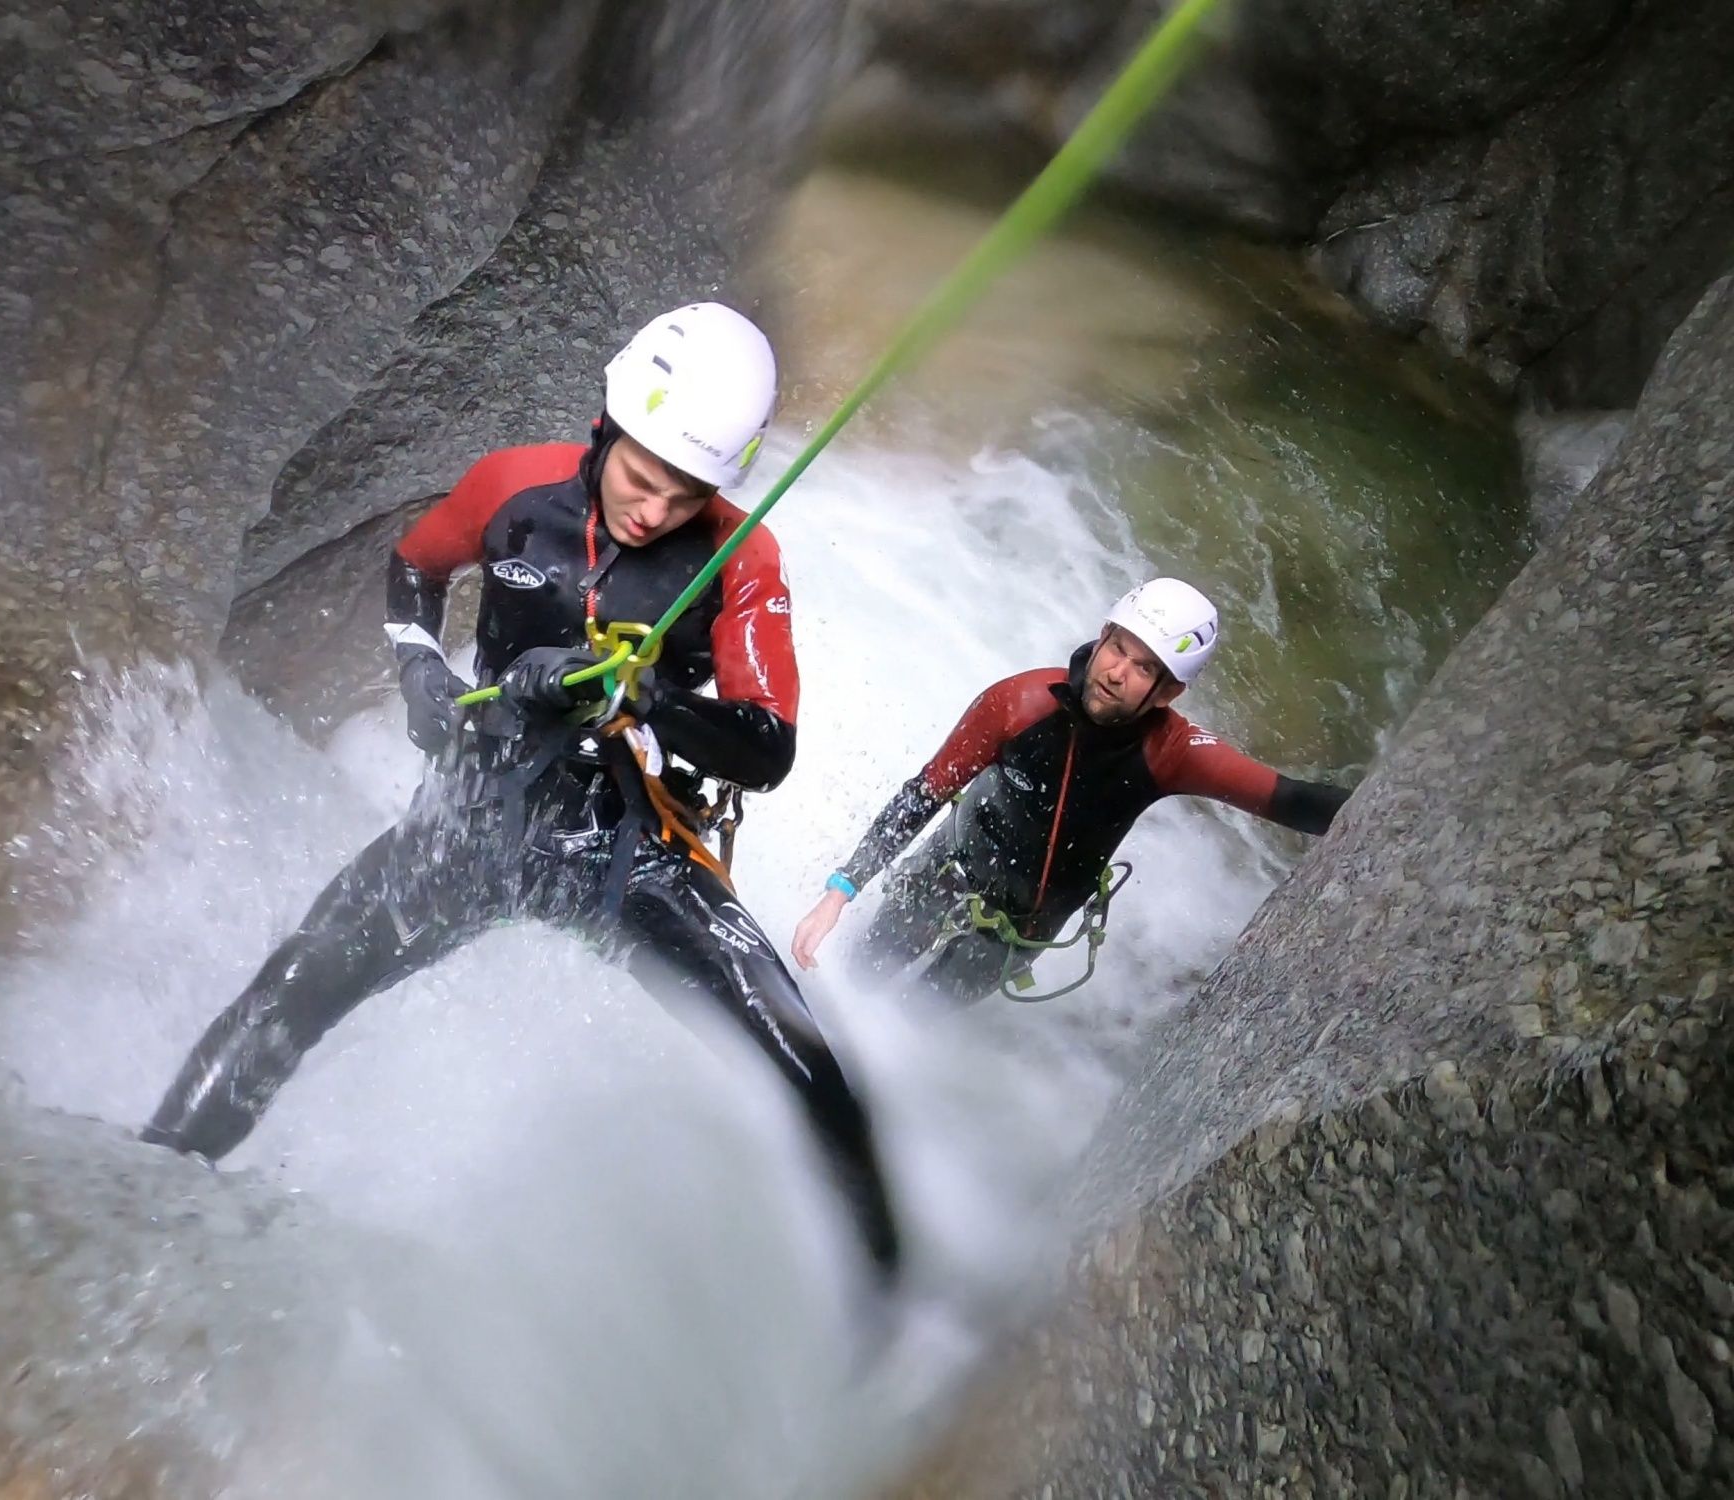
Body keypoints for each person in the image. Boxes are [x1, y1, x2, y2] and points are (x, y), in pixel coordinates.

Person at [142, 303, 900, 1278]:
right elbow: (414, 572)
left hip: (628, 846)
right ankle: (145, 1183)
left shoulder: (739, 558)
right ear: (606, 426)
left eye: (685, 495)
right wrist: (421, 670)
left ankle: (895, 1303)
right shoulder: (511, 488)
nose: (653, 511)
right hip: (471, 819)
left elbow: (766, 748)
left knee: (805, 1064)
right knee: (287, 992)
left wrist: (642, 701)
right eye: (640, 478)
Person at [791, 578, 1351, 1004]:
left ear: (1167, 693)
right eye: (1117, 647)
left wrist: (1391, 814)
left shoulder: (1170, 753)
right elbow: (924, 794)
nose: (1115, 672)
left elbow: (1291, 800)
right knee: (856, 977)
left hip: (1014, 935)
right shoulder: (1017, 704)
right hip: (944, 872)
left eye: (1143, 668)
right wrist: (839, 892)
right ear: (1102, 635)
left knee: (915, 1018)